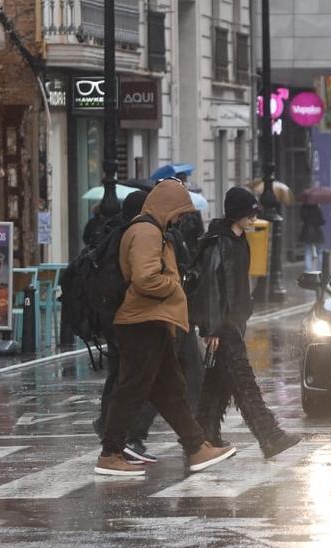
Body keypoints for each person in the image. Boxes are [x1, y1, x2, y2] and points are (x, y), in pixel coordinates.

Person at [96, 178, 235, 476]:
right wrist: (174, 286)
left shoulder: (153, 230)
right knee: (132, 388)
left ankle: (196, 447)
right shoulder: (146, 231)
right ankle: (110, 453)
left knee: (171, 390)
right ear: (167, 206)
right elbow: (145, 278)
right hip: (142, 322)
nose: (180, 218)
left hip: (153, 320)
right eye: (179, 211)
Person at [192, 187, 301, 458]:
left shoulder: (239, 240)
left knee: (217, 384)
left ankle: (203, 436)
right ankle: (270, 436)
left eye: (255, 214)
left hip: (233, 321)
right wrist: (212, 328)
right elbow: (211, 289)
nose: (254, 219)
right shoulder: (218, 243)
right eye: (250, 215)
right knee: (244, 382)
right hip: (223, 326)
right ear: (236, 214)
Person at [92, 190, 153, 448]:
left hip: (112, 315)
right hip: (123, 316)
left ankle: (109, 426)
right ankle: (121, 435)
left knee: (119, 373)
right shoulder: (130, 237)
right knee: (131, 376)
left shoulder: (114, 235)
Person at [298, 202, 326, 273]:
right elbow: (321, 221)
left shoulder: (304, 207)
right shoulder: (317, 208)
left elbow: (302, 218)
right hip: (317, 232)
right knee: (320, 252)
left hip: (307, 232)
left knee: (308, 252)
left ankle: (308, 270)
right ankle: (319, 269)